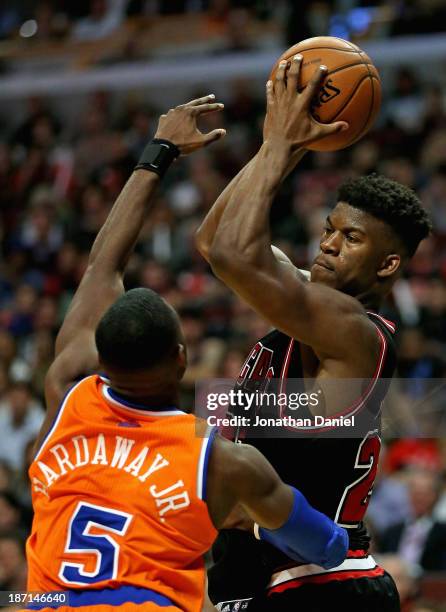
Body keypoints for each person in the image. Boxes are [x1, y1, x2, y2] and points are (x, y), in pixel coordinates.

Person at [22, 95, 348, 612]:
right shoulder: (221, 459)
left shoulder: (67, 394)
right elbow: (328, 548)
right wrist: (246, 515)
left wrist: (160, 149)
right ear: (181, 359)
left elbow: (100, 266)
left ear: (100, 357)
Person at [196, 57, 432, 611]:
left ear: (388, 265)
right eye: (329, 229)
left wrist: (280, 141)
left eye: (351, 238)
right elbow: (214, 243)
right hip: (263, 574)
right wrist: (284, 146)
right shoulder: (308, 302)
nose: (328, 243)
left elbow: (233, 253)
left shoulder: (355, 333)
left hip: (325, 579)